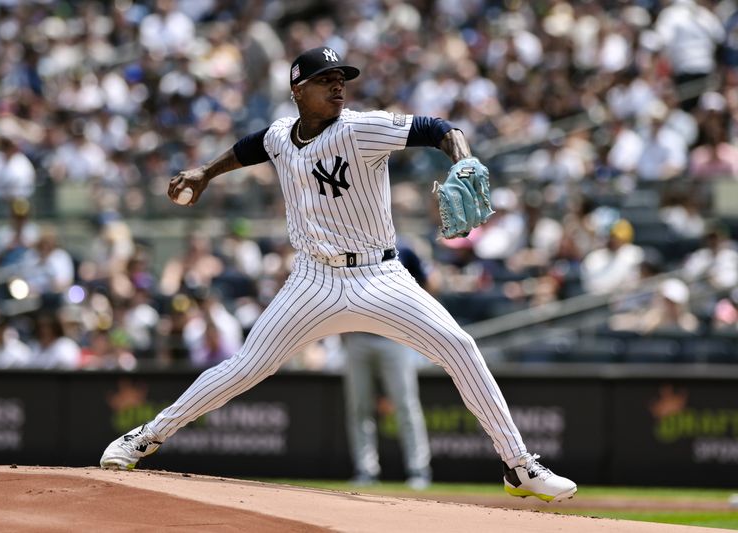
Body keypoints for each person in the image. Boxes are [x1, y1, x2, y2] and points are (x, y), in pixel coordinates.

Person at [99, 47, 577, 502]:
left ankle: (518, 466)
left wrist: (463, 158)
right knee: (246, 367)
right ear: (298, 91)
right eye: (324, 81)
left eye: (340, 79)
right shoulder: (280, 135)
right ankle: (148, 436)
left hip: (379, 276)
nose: (337, 87)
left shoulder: (360, 129)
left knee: (460, 347)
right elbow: (250, 148)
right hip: (312, 280)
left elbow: (436, 127)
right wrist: (204, 171)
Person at [342, 242, 433, 490]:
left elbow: (429, 283)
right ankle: (365, 470)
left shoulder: (404, 248)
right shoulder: (348, 246)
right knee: (359, 405)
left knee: (405, 404)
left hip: (395, 337)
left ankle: (418, 469)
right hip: (357, 335)